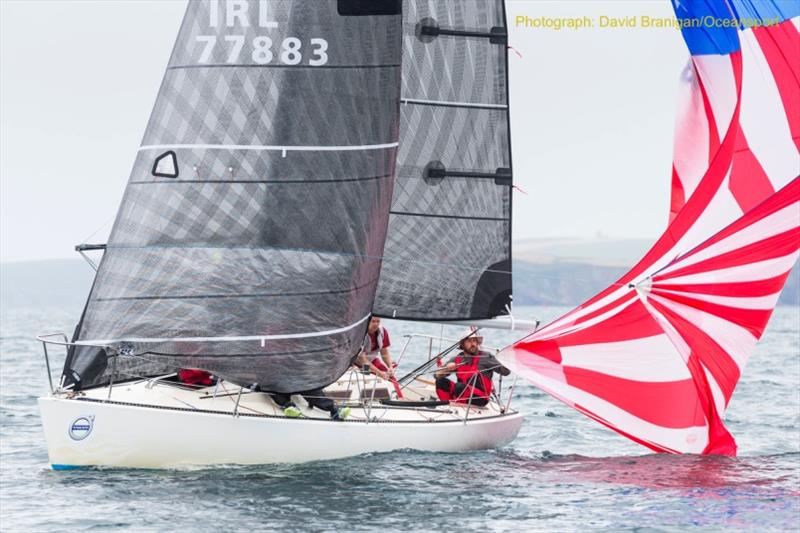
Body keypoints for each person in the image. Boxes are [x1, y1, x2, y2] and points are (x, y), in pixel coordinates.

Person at [434, 327, 510, 407]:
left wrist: (504, 359)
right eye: (469, 341)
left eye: (474, 341)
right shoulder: (457, 359)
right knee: (440, 381)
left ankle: (458, 407)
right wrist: (446, 369)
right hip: (461, 393)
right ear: (463, 345)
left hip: (480, 398)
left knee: (459, 386)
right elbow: (436, 376)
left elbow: (506, 372)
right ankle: (447, 406)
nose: (473, 344)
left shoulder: (486, 357)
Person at [267, 388, 351, 421]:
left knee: (312, 390)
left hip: (297, 376)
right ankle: (289, 406)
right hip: (277, 379)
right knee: (272, 388)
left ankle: (334, 410)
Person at [355, 315, 395, 380]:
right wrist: (380, 374)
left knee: (391, 379)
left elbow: (384, 353)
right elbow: (362, 360)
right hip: (357, 362)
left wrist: (390, 366)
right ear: (367, 322)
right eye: (373, 321)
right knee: (365, 379)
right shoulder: (359, 333)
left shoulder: (382, 331)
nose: (376, 324)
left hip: (372, 360)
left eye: (378, 321)